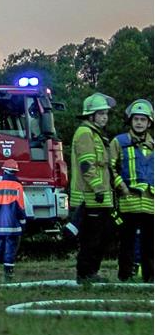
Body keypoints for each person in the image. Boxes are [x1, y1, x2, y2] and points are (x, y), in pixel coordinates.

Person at [70, 93, 116, 283]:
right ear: (91, 116)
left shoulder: (96, 134)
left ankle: (91, 273)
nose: (105, 117)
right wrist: (98, 188)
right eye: (101, 114)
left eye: (106, 114)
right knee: (92, 239)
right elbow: (86, 165)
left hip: (100, 197)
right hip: (89, 197)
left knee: (102, 237)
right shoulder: (85, 134)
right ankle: (86, 274)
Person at [109, 99, 153, 282]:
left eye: (143, 119)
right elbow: (110, 168)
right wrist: (122, 186)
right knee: (126, 244)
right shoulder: (119, 142)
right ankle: (124, 277)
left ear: (149, 122)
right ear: (130, 121)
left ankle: (150, 278)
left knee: (149, 245)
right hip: (128, 203)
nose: (139, 123)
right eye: (136, 119)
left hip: (151, 204)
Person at [0, 159, 26, 282]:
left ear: (4, 171)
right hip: (12, 225)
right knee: (10, 249)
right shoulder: (17, 186)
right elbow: (20, 207)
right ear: (15, 172)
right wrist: (23, 220)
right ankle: (8, 276)